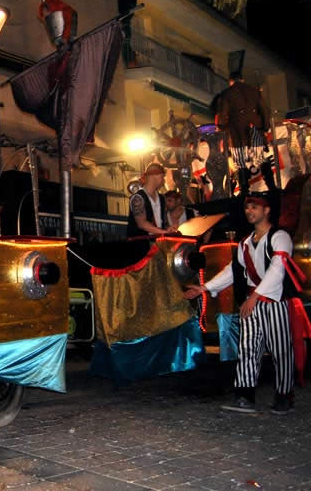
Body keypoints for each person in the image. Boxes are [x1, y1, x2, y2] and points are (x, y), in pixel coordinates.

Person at [183, 195, 295, 414]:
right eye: (247, 208)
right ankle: (244, 396)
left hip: (275, 301)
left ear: (267, 210)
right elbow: (232, 271)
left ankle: (284, 396)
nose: (249, 211)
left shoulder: (280, 237)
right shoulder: (245, 242)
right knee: (247, 348)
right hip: (251, 302)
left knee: (281, 350)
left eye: (254, 207)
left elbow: (277, 269)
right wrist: (204, 288)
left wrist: (255, 296)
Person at [214, 72, 273, 195]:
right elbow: (265, 111)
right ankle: (271, 186)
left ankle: (244, 190)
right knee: (260, 158)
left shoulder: (226, 94)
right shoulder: (255, 91)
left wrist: (222, 127)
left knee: (240, 161)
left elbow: (223, 116)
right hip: (255, 129)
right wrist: (264, 127)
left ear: (230, 82)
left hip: (236, 133)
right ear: (242, 80)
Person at [127, 162, 177, 237]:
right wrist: (163, 232)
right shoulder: (138, 197)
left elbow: (163, 221)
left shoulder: (162, 198)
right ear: (155, 176)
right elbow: (142, 224)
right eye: (162, 177)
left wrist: (169, 228)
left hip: (158, 240)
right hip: (140, 241)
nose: (163, 181)